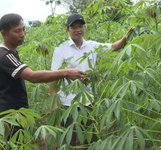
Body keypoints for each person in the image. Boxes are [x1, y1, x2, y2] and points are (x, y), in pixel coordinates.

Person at [0, 13, 85, 138]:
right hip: (8, 115)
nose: (23, 34)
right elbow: (32, 76)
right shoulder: (4, 56)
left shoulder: (11, 53)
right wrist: (66, 72)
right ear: (4, 33)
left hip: (16, 112)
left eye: (24, 29)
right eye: (17, 31)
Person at [48, 13, 134, 147]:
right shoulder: (61, 50)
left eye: (80, 26)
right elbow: (53, 77)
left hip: (88, 101)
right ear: (67, 30)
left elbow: (113, 47)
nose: (78, 30)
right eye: (73, 27)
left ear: (85, 28)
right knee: (69, 141)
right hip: (67, 103)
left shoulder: (92, 46)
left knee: (91, 140)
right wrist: (54, 103)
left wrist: (125, 38)